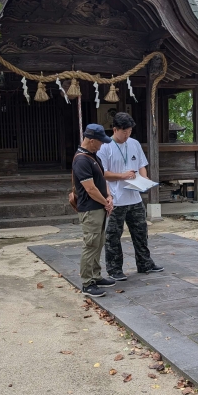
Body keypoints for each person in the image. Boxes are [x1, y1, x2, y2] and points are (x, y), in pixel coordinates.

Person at [97, 112, 163, 280]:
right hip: (117, 198)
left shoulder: (134, 144)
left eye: (130, 132)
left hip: (134, 197)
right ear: (115, 129)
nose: (127, 135)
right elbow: (101, 173)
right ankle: (114, 269)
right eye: (124, 132)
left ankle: (145, 263)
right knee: (113, 236)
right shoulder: (105, 147)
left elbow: (142, 164)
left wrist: (144, 177)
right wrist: (122, 176)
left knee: (141, 231)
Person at [73, 124, 116, 298]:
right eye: (100, 141)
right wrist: (105, 202)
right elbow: (90, 189)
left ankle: (96, 275)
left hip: (99, 206)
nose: (102, 145)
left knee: (98, 243)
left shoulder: (93, 156)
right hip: (90, 209)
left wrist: (109, 196)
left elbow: (102, 178)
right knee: (90, 244)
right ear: (91, 141)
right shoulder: (82, 160)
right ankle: (87, 282)